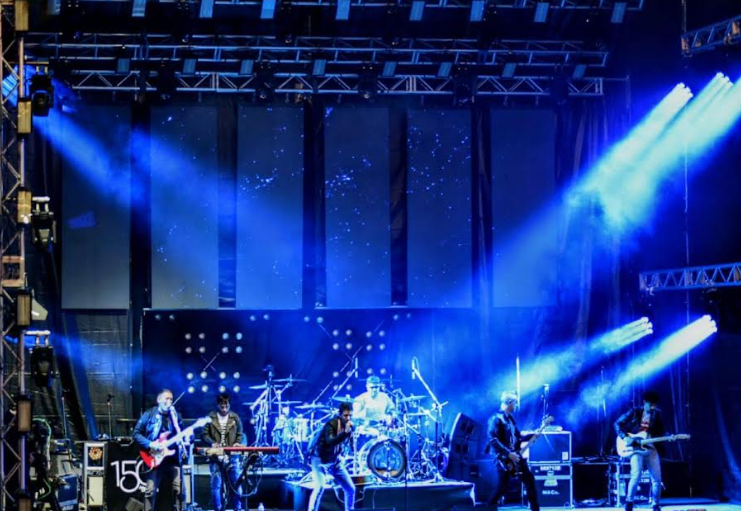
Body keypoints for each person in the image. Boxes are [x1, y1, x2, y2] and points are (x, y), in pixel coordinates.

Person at [484, 391, 540, 511]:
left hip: (516, 456)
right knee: (501, 488)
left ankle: (535, 509)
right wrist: (509, 454)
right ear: (510, 403)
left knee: (529, 480)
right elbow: (492, 440)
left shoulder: (510, 419)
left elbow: (518, 437)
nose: (516, 405)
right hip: (504, 459)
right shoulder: (495, 419)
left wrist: (533, 435)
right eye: (515, 403)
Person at [614, 390, 666, 511]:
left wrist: (667, 437)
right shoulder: (634, 412)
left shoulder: (657, 415)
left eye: (654, 405)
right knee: (636, 475)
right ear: (644, 402)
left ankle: (655, 504)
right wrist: (625, 437)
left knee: (657, 477)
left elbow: (661, 431)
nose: (652, 408)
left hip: (650, 446)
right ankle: (629, 502)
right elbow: (616, 424)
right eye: (651, 405)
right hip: (635, 448)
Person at [133, 389, 184, 511]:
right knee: (150, 491)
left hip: (172, 459)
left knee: (179, 490)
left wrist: (186, 439)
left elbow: (183, 434)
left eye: (171, 399)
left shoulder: (175, 416)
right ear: (159, 400)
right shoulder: (149, 414)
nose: (169, 401)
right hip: (154, 457)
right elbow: (136, 434)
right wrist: (151, 444)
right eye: (167, 398)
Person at [306, 402, 356, 511]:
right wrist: (345, 433)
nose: (348, 418)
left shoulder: (348, 426)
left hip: (335, 461)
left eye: (350, 415)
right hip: (320, 460)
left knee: (350, 489)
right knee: (320, 487)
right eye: (345, 415)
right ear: (339, 414)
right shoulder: (331, 425)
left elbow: (348, 443)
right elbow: (330, 442)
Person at [201, 393, 246, 511]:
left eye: (226, 404)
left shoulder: (235, 417)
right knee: (216, 485)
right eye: (222, 404)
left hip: (232, 456)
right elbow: (204, 434)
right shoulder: (211, 417)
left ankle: (238, 508)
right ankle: (218, 508)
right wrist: (212, 443)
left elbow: (240, 433)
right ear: (218, 405)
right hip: (216, 456)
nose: (224, 406)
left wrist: (237, 442)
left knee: (236, 483)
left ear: (229, 404)